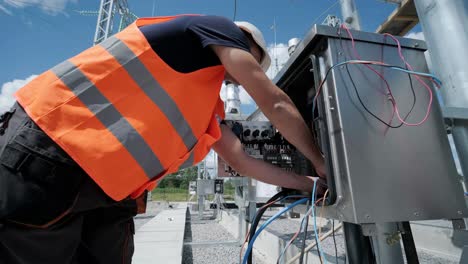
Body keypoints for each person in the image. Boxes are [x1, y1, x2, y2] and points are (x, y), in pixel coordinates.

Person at [0, 14, 325, 263]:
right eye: (253, 60)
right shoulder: (217, 29)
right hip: (53, 143)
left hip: (109, 189)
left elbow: (240, 160)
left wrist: (307, 183)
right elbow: (277, 103)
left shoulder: (206, 107)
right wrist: (320, 161)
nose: (239, 75)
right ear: (244, 42)